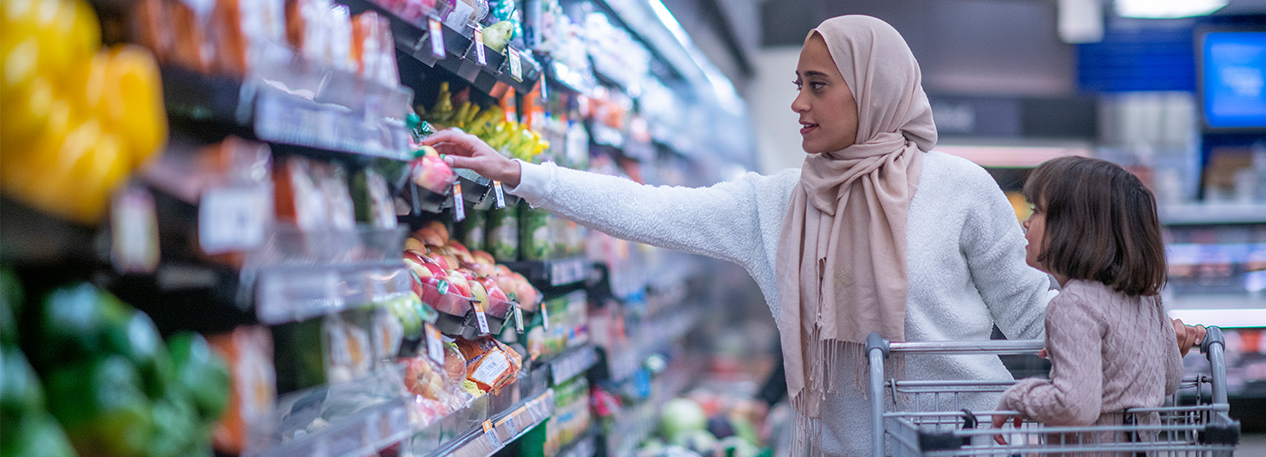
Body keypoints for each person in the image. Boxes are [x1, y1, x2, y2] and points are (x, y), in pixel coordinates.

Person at [424, 15, 1202, 456]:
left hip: (968, 445)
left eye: (817, 84)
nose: (798, 102)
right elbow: (645, 206)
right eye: (796, 82)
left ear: (873, 90)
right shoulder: (772, 205)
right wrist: (521, 173)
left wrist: (1146, 332)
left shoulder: (958, 185)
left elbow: (1039, 315)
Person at [990, 157, 1186, 451]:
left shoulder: (1073, 305)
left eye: (1037, 210)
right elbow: (1169, 379)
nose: (1026, 221)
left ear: (1076, 227)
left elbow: (1075, 407)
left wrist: (1019, 396)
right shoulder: (1148, 297)